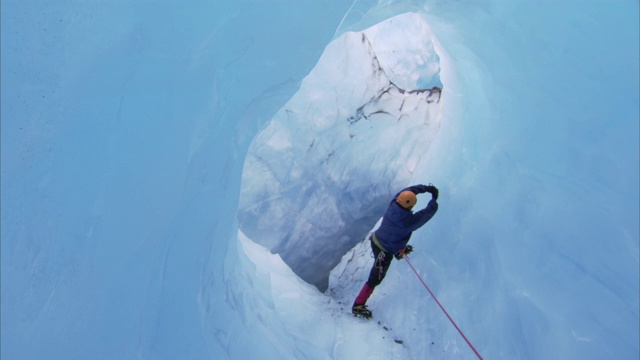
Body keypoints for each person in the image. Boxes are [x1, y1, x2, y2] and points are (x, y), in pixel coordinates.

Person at [352, 184, 439, 318]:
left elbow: (407, 191)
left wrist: (425, 189)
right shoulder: (407, 222)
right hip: (383, 250)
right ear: (410, 206)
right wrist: (434, 200)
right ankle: (358, 305)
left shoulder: (394, 203)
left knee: (396, 237)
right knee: (375, 278)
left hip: (376, 238)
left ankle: (399, 250)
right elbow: (426, 215)